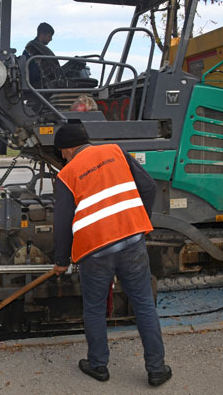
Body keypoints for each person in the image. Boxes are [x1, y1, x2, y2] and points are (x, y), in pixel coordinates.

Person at [52, 123, 172, 387]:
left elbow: (61, 223)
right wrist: (138, 221)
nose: (62, 157)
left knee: (94, 307)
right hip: (132, 242)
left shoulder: (66, 175)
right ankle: (157, 369)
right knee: (144, 304)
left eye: (61, 152)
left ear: (68, 149)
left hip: (95, 251)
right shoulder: (116, 151)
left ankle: (98, 365)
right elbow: (149, 187)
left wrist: (61, 261)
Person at [23, 22, 62, 87]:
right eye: (49, 36)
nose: (51, 39)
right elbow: (34, 74)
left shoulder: (40, 50)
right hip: (39, 86)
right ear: (42, 34)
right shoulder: (32, 50)